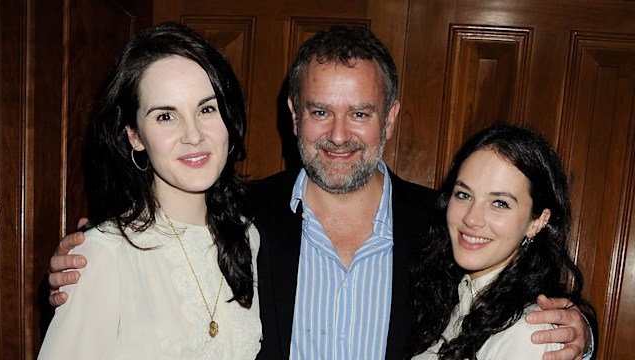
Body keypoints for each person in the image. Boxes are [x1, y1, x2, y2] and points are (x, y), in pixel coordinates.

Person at [46, 26, 591, 360]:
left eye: (360, 113)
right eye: (320, 111)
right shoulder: (239, 217)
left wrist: (579, 333)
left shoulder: (447, 222)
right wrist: (90, 257)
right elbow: (153, 247)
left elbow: (508, 294)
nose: (338, 135)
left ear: (391, 118)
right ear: (293, 114)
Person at [38, 23, 262, 359]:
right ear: (134, 136)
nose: (193, 134)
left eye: (206, 109)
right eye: (166, 116)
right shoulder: (104, 253)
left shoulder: (248, 236)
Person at [408, 125, 595, 359]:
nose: (471, 218)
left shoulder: (530, 332)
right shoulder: (451, 294)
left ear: (537, 221)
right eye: (464, 195)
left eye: (499, 203)